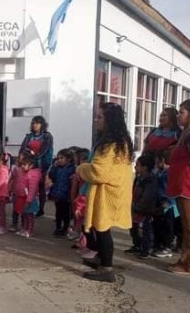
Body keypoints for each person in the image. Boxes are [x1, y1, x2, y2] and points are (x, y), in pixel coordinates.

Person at [76, 102, 134, 283]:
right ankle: (101, 260)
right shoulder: (113, 141)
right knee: (98, 227)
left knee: (102, 229)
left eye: (100, 117)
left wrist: (80, 168)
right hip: (109, 191)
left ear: (110, 120)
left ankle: (106, 269)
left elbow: (100, 172)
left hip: (108, 193)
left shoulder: (113, 144)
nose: (96, 120)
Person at [167, 99, 190, 275]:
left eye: (182, 112)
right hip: (183, 186)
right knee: (187, 227)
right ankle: (186, 260)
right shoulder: (185, 134)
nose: (178, 115)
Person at [126, 155, 160, 260]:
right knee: (134, 229)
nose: (135, 167)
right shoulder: (139, 178)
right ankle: (137, 245)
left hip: (145, 211)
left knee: (145, 230)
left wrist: (139, 207)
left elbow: (148, 196)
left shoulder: (151, 180)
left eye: (138, 165)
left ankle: (146, 250)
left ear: (145, 167)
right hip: (135, 208)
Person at [19, 116, 54, 217]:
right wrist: (23, 158)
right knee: (29, 187)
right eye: (33, 123)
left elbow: (45, 150)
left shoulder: (47, 136)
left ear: (42, 124)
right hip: (29, 165)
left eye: (37, 123)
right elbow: (23, 148)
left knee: (40, 187)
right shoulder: (29, 136)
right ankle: (29, 207)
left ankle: (41, 209)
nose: (34, 125)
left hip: (41, 165)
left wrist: (33, 155)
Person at [10, 153, 41, 238]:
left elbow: (32, 189)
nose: (22, 166)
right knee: (25, 214)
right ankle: (25, 228)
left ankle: (30, 230)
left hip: (29, 199)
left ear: (31, 165)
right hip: (22, 197)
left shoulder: (33, 175)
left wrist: (29, 200)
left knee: (29, 216)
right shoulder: (25, 172)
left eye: (24, 164)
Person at [47, 149, 76, 237]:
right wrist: (54, 166)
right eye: (58, 158)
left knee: (66, 213)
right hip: (58, 194)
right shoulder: (58, 169)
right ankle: (58, 228)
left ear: (68, 159)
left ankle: (65, 228)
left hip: (66, 196)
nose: (59, 160)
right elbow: (51, 175)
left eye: (61, 158)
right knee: (58, 213)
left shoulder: (72, 169)